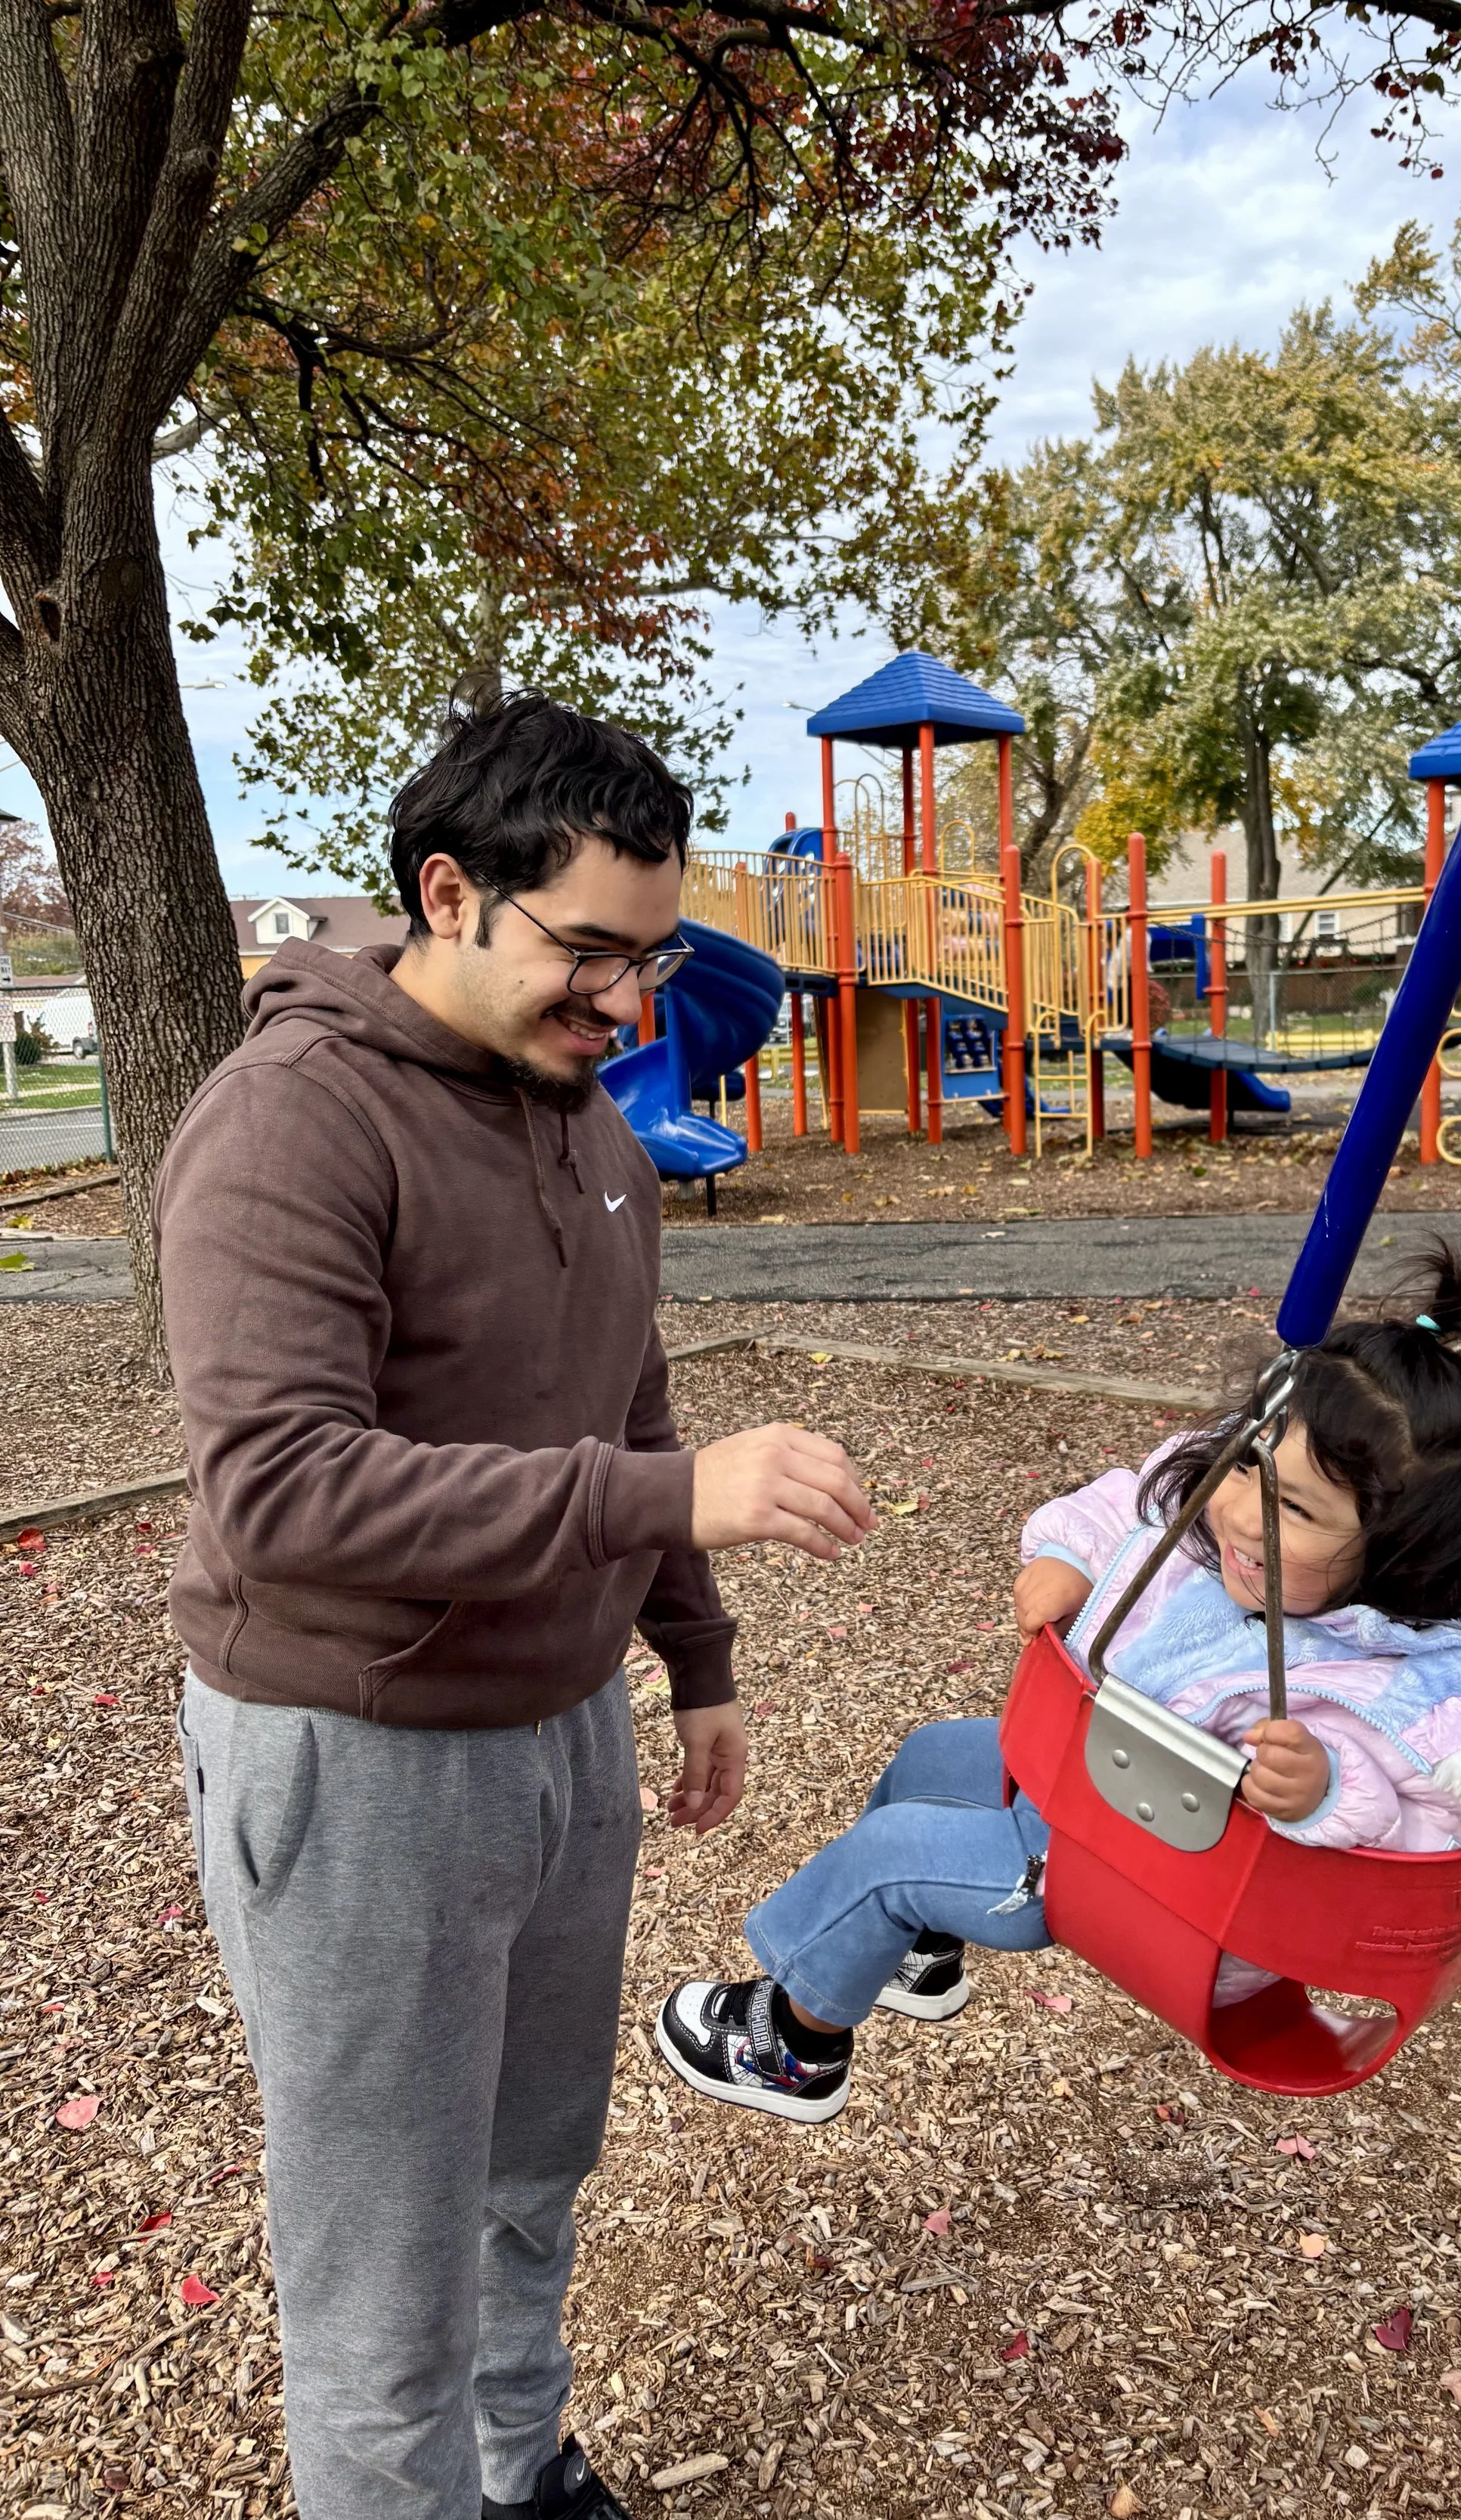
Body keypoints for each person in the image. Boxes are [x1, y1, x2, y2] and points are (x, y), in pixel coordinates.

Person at [156, 695, 874, 2520]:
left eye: (649, 958)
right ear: (449, 893)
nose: (625, 1003)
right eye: (590, 953)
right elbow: (285, 1492)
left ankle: (517, 2464)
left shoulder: (591, 1125)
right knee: (381, 2239)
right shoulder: (286, 1127)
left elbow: (626, 1403)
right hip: (356, 1748)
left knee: (530, 2159)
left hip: (560, 1732)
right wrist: (661, 1506)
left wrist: (691, 1652)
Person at [654, 1247, 1461, 2122]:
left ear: (1397, 1558)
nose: (1240, 1516)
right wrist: (1070, 1558)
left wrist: (1324, 1793)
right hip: (1078, 1798)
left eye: (1295, 1511)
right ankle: (914, 1946)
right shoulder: (1220, 1532)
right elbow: (1132, 1507)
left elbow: (1426, 1823)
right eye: (1246, 1466)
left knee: (888, 1856)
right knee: (931, 1756)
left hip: (1154, 1890)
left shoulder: (1392, 1685)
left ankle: (794, 2045)